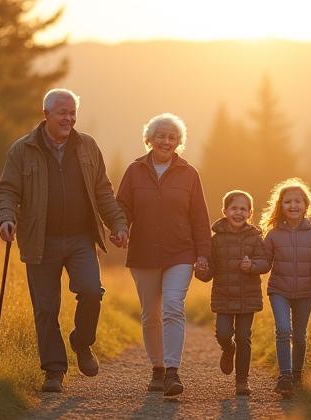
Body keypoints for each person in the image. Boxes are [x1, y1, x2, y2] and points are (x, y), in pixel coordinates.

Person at [0, 88, 128, 393]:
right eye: (62, 113)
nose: (69, 118)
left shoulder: (87, 146)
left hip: (81, 238)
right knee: (45, 308)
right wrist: (6, 217)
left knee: (92, 291)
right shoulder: (22, 150)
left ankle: (82, 343)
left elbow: (103, 191)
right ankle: (53, 372)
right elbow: (6, 190)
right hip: (40, 240)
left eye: (72, 113)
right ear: (46, 115)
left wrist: (118, 224)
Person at [116, 113, 211, 397]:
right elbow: (122, 207)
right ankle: (157, 369)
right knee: (150, 315)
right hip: (143, 252)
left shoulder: (189, 174)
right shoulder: (134, 171)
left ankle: (172, 372)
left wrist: (203, 254)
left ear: (178, 142)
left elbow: (200, 218)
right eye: (161, 136)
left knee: (172, 305)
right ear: (150, 138)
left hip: (180, 252)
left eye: (172, 137)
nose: (166, 141)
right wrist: (120, 228)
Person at [259, 178, 311, 399]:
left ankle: (297, 374)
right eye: (288, 201)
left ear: (306, 205)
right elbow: (264, 263)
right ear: (281, 206)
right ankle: (285, 376)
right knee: (283, 329)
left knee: (299, 336)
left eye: (297, 201)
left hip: (305, 292)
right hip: (278, 289)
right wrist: (250, 265)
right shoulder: (273, 234)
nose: (293, 205)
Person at [194, 190, 269, 396]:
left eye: (243, 209)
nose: (239, 212)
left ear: (250, 213)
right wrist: (200, 270)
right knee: (224, 334)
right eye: (234, 208)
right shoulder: (216, 239)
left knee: (244, 338)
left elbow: (265, 262)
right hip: (223, 296)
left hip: (248, 296)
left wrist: (252, 265)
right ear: (225, 211)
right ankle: (228, 349)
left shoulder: (255, 237)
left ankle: (242, 381)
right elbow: (209, 270)